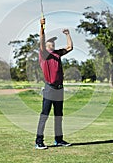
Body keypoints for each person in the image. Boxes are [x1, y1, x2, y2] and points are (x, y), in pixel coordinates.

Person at [35, 18, 73, 149]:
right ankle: (39, 141)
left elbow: (69, 47)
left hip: (59, 89)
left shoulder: (57, 54)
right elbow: (41, 40)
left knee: (58, 116)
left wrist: (68, 34)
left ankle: (59, 139)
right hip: (49, 89)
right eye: (50, 43)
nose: (52, 44)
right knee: (44, 115)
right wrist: (42, 27)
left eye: (53, 43)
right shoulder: (44, 54)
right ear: (46, 45)